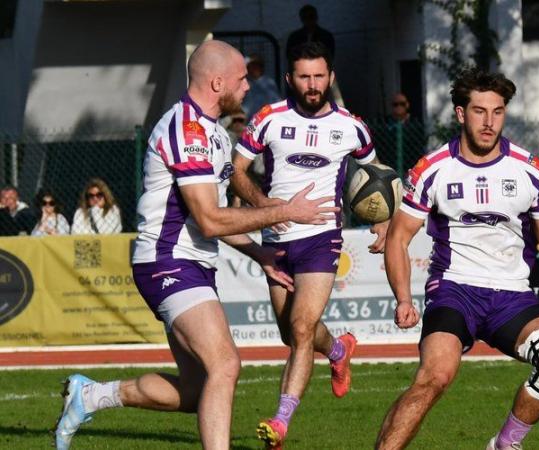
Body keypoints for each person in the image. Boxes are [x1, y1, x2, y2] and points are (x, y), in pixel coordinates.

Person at [54, 40, 338, 450]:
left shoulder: (215, 136)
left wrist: (257, 252)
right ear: (217, 81)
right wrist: (283, 212)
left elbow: (213, 220)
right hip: (168, 262)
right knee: (225, 365)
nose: (247, 87)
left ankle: (91, 396)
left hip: (191, 264)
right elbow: (209, 218)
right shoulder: (183, 128)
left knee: (196, 390)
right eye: (242, 79)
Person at [374, 66, 539, 450]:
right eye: (479, 111)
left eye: (498, 111)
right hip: (455, 290)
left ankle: (505, 444)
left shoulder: (531, 171)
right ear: (460, 113)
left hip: (512, 295)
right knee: (435, 375)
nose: (489, 122)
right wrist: (403, 298)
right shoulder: (432, 168)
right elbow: (398, 238)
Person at [231, 41, 389, 449]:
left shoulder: (353, 127)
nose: (312, 84)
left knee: (302, 327)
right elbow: (238, 170)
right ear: (290, 79)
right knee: (291, 334)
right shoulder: (268, 118)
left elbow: (379, 177)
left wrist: (384, 221)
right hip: (276, 238)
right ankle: (337, 349)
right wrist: (265, 206)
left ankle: (281, 421)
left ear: (331, 78)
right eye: (304, 76)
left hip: (322, 238)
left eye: (319, 76)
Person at [374, 92, 426, 174]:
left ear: (407, 105)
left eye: (402, 104)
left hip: (411, 168)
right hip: (389, 167)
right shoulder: (385, 123)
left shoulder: (415, 124)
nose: (399, 107)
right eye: (395, 104)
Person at [242, 54, 282, 120]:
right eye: (250, 66)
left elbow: (276, 102)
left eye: (255, 66)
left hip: (266, 119)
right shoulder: (246, 83)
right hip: (249, 121)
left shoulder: (269, 83)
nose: (252, 69)